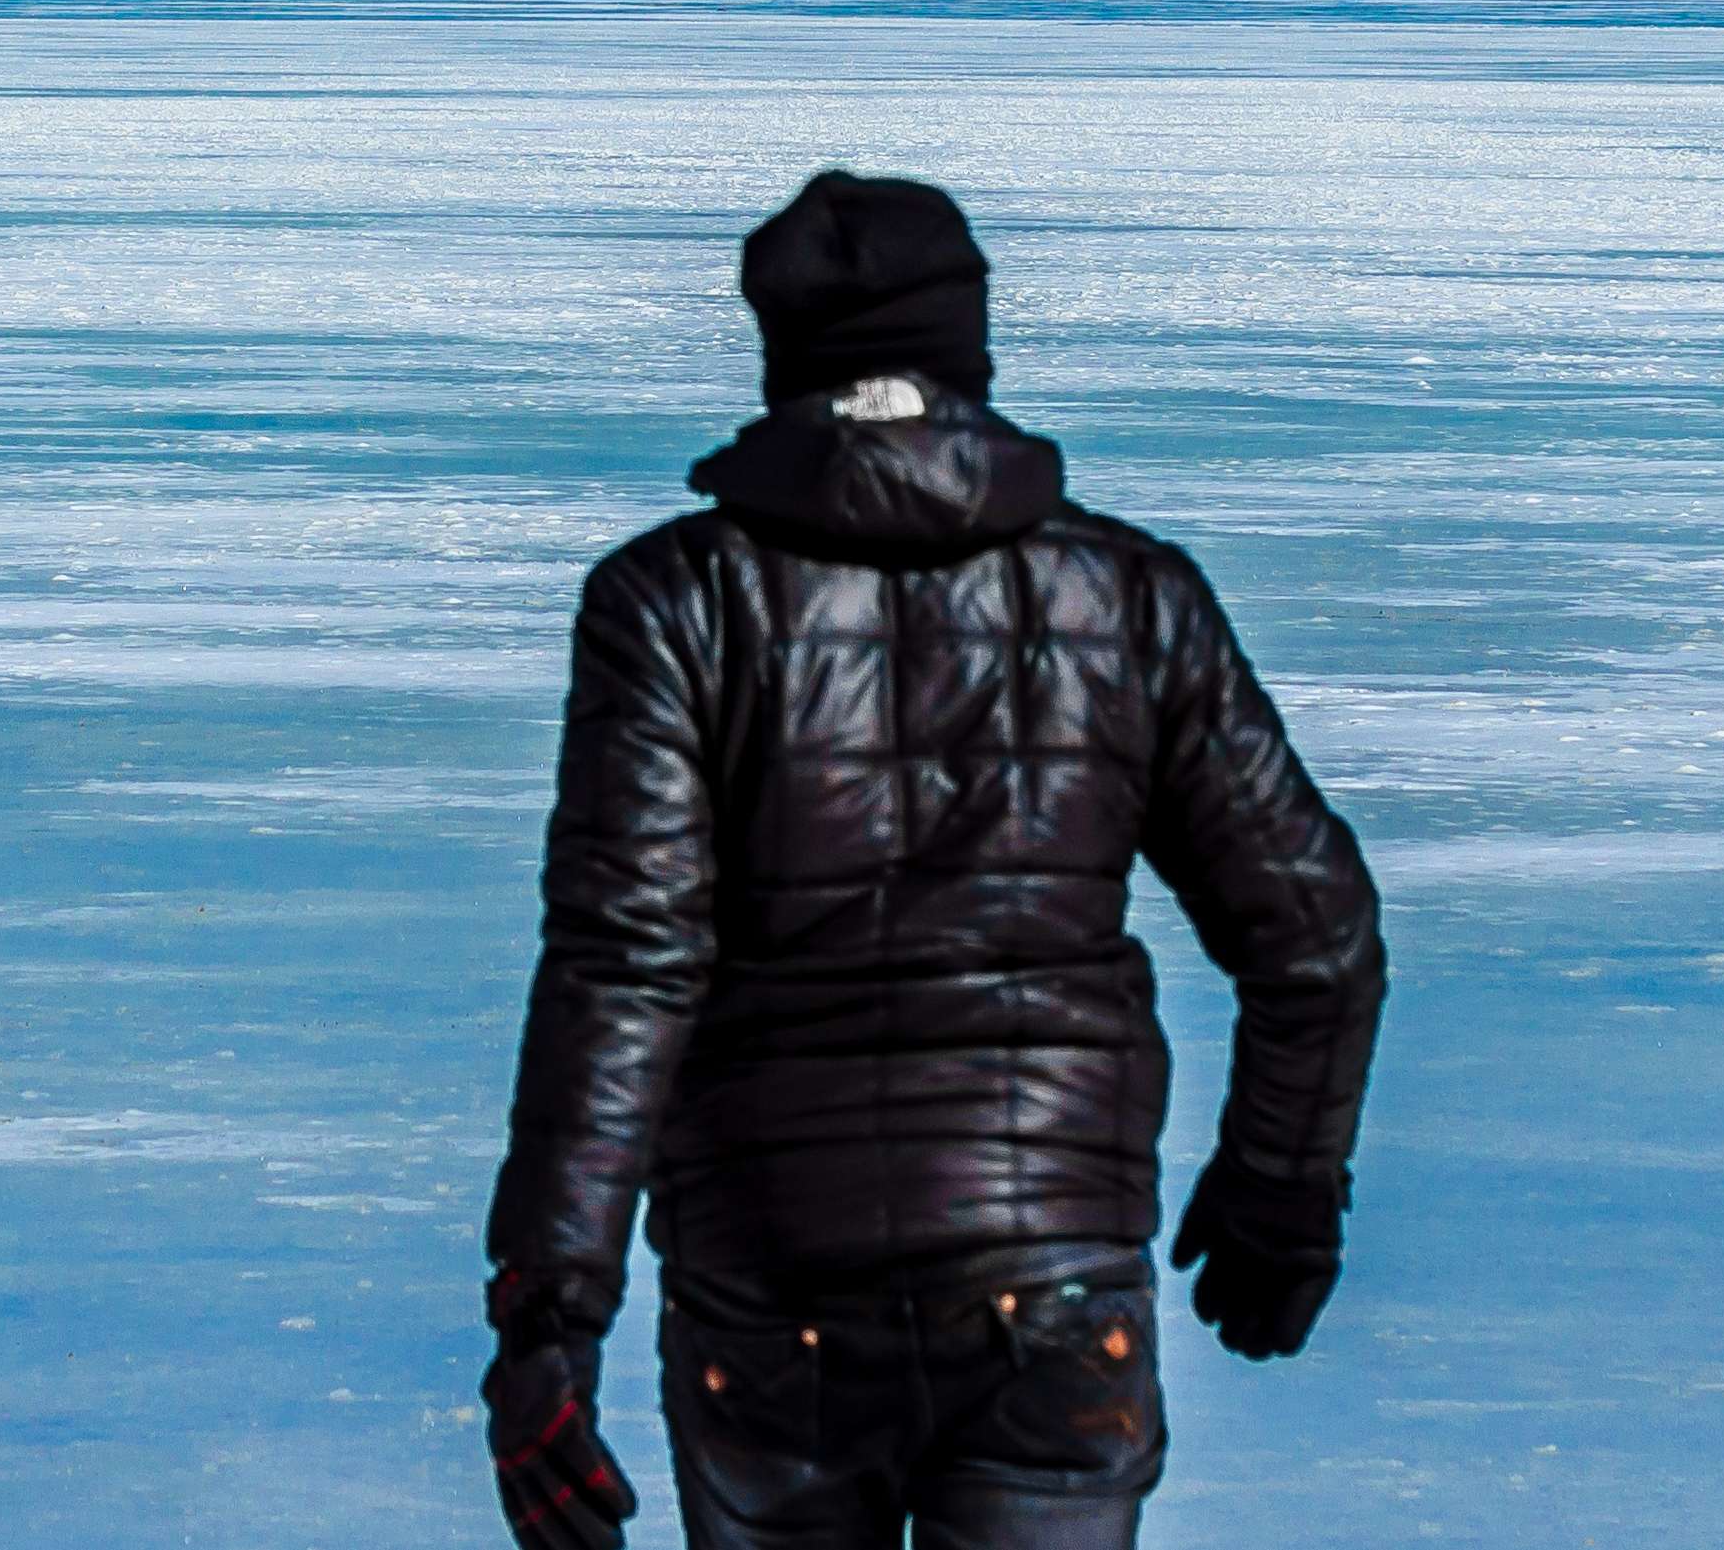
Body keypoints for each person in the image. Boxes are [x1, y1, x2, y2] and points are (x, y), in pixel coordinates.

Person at [479, 172, 1387, 1550]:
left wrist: (547, 1319)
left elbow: (626, 969)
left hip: (769, 1290)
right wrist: (1280, 1189)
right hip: (1052, 1280)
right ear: (970, 354)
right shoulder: (1125, 597)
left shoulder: (671, 604)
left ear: (781, 356)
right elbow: (1313, 938)